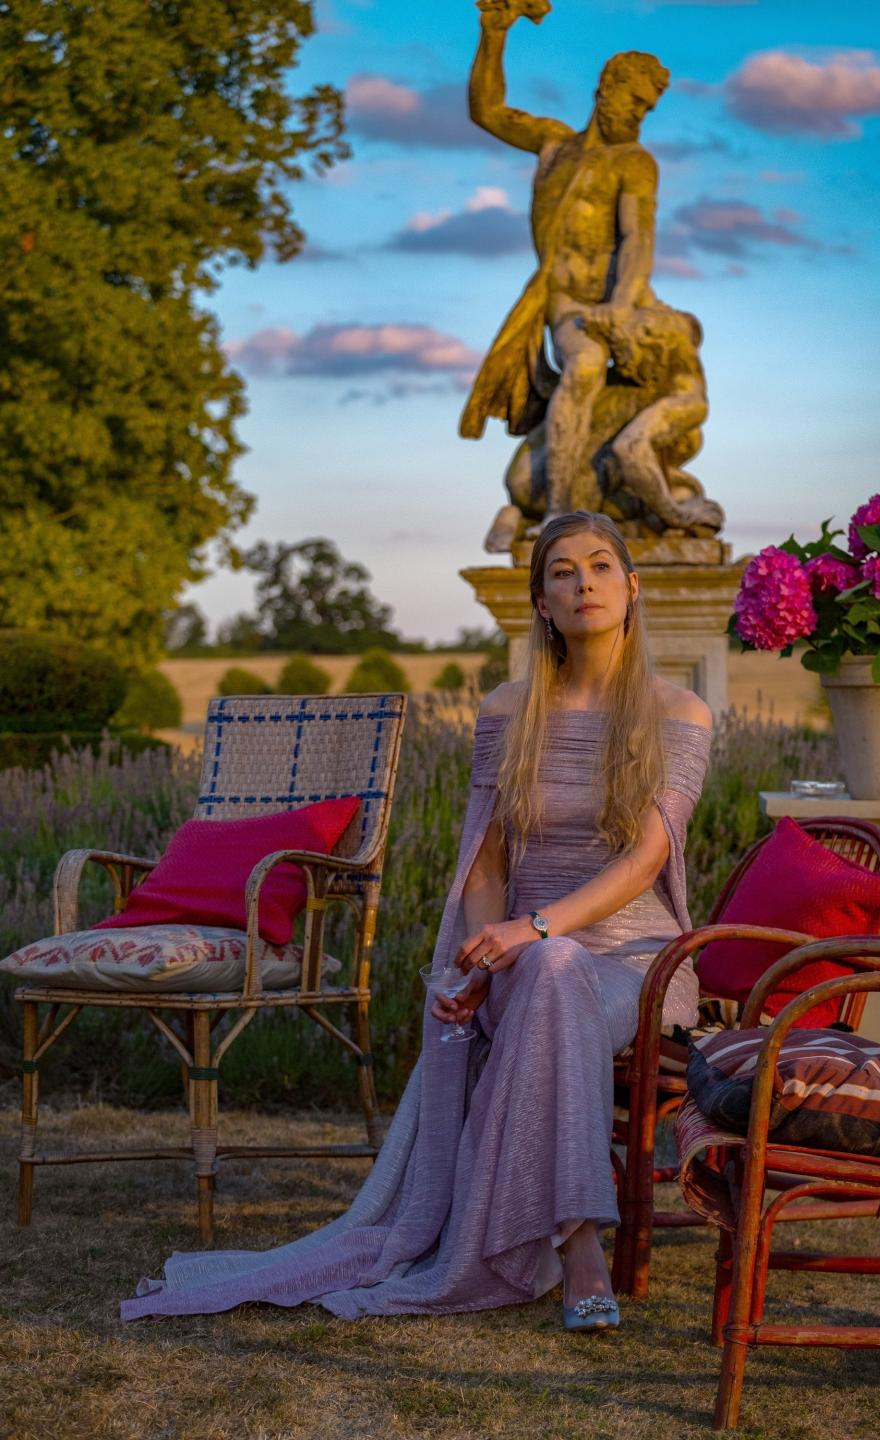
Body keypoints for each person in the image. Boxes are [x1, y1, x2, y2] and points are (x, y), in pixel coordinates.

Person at [120, 511, 711, 1329]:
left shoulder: (680, 713)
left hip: (638, 960)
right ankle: (578, 1245)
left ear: (632, 586)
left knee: (558, 965)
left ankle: (575, 1244)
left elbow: (644, 861)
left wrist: (533, 931)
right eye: (565, 572)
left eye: (603, 566)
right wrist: (483, 957)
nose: (586, 584)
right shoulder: (509, 710)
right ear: (541, 600)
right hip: (526, 956)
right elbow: (488, 865)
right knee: (548, 971)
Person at [460, 0, 671, 527]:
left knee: (604, 364)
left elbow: (636, 238)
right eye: (635, 101)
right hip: (558, 301)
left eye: (646, 110)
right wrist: (494, 34)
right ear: (607, 87)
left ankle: (571, 505)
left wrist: (622, 306)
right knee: (580, 364)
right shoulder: (556, 144)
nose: (638, 116)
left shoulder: (635, 162)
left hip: (610, 302)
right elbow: (488, 111)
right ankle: (558, 509)